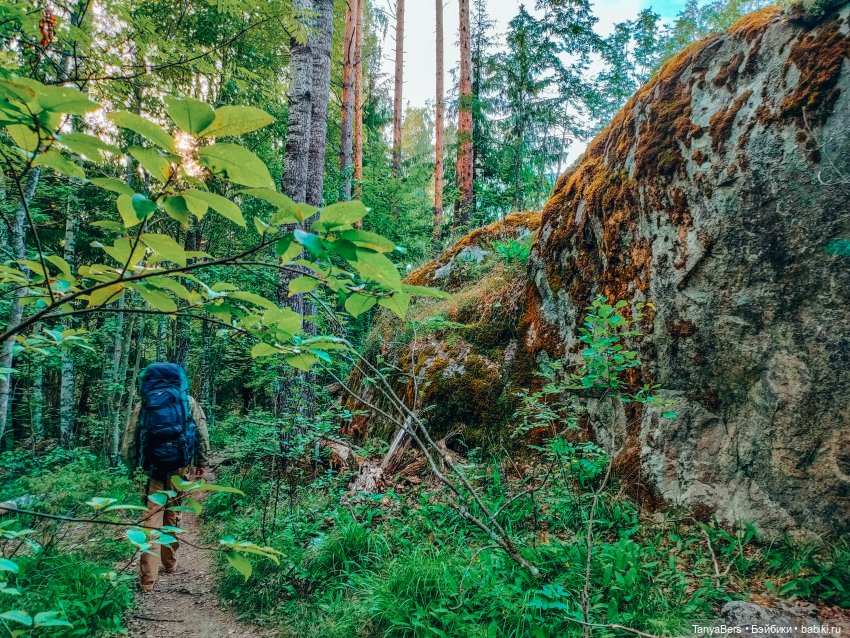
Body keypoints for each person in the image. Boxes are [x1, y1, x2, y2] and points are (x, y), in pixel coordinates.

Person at [120, 362, 210, 592]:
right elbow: (201, 433)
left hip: (153, 468)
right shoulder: (187, 402)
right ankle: (169, 563)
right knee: (173, 510)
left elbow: (130, 439)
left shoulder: (146, 404)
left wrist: (132, 468)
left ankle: (147, 580)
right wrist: (201, 463)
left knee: (151, 518)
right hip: (179, 467)